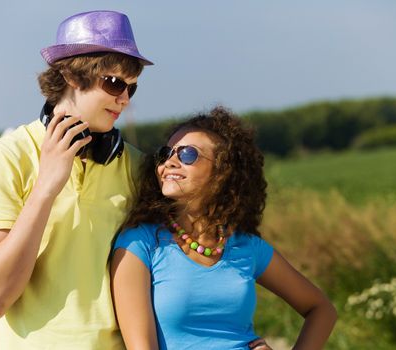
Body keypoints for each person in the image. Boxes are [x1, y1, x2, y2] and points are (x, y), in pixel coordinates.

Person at [0, 10, 152, 349]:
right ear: (71, 74)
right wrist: (45, 189)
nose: (124, 99)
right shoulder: (5, 158)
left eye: (132, 88)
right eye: (113, 83)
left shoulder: (136, 166)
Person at [111, 107, 338, 349]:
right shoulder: (140, 244)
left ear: (222, 172)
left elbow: (321, 309)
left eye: (188, 154)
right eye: (166, 153)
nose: (170, 162)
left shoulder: (246, 246)